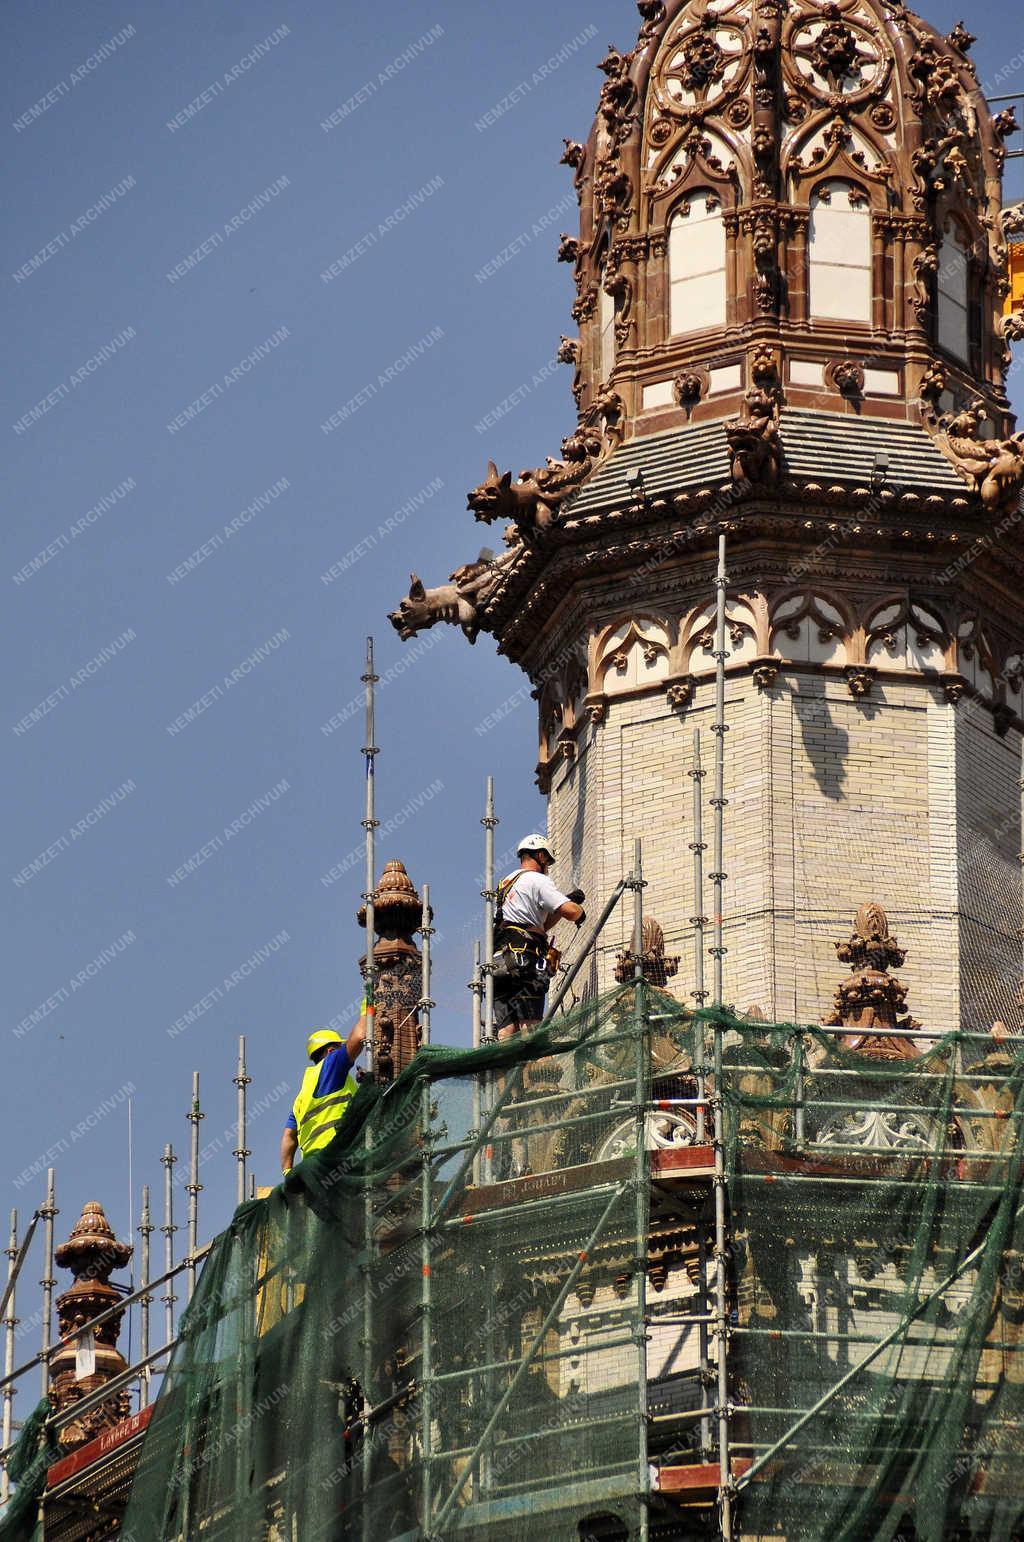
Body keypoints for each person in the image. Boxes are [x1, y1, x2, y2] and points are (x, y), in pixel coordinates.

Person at [492, 834, 585, 1039]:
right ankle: (537, 1070)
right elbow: (572, 912)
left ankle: (506, 1071)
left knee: (506, 1031)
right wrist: (577, 908)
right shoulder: (538, 879)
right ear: (541, 856)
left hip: (500, 962)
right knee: (531, 1026)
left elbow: (540, 924)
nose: (548, 867)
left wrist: (561, 905)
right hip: (524, 959)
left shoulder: (506, 883)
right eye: (548, 862)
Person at [280, 1006, 371, 1178]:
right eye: (339, 1048)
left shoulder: (302, 1094)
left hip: (313, 1170)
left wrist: (288, 1172)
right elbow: (359, 1036)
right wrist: (368, 1003)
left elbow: (288, 1137)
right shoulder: (331, 1065)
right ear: (330, 1051)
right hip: (338, 1157)